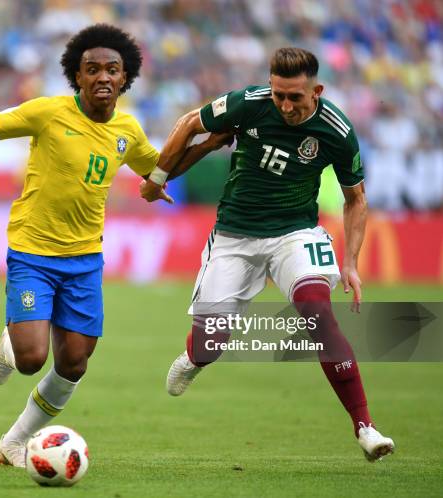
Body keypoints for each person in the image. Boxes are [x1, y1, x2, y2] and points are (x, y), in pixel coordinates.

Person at [0, 24, 228, 467]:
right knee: (30, 359)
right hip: (33, 253)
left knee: (74, 364)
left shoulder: (127, 129)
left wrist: (208, 144)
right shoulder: (48, 112)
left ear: (125, 78)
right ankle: (14, 337)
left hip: (84, 260)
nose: (102, 76)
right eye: (92, 69)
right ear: (77, 77)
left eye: (112, 70)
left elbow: (159, 170)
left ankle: (14, 442)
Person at [140, 47, 395, 462]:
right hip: (235, 236)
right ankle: (194, 357)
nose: (285, 105)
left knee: (318, 313)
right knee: (211, 343)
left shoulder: (336, 130)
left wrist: (350, 262)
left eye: (295, 97)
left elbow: (356, 199)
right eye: (279, 95)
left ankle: (365, 426)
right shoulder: (250, 103)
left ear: (317, 90)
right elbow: (190, 123)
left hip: (294, 232)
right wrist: (156, 177)